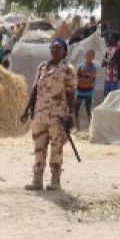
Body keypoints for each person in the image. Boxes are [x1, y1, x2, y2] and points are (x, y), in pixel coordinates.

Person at [22, 38, 77, 191]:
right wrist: (27, 109)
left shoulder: (68, 70)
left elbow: (71, 93)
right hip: (40, 115)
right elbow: (35, 89)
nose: (54, 51)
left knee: (56, 148)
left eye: (58, 48)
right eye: (52, 48)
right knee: (39, 147)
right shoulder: (42, 67)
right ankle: (37, 180)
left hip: (57, 116)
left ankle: (55, 180)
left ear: (64, 52)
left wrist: (71, 116)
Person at [75, 49, 98, 129]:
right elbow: (77, 78)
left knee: (88, 109)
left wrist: (83, 79)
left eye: (90, 55)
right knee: (76, 109)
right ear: (85, 56)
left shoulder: (94, 67)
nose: (89, 57)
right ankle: (77, 126)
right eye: (87, 55)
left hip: (89, 92)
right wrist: (86, 78)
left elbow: (91, 81)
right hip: (80, 91)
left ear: (93, 57)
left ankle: (90, 126)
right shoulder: (80, 66)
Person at [102, 32, 120, 97]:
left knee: (113, 95)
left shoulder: (118, 50)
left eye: (110, 37)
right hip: (108, 76)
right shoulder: (108, 49)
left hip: (115, 76)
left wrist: (105, 60)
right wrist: (105, 60)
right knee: (106, 95)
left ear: (115, 39)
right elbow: (103, 64)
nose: (109, 39)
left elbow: (113, 63)